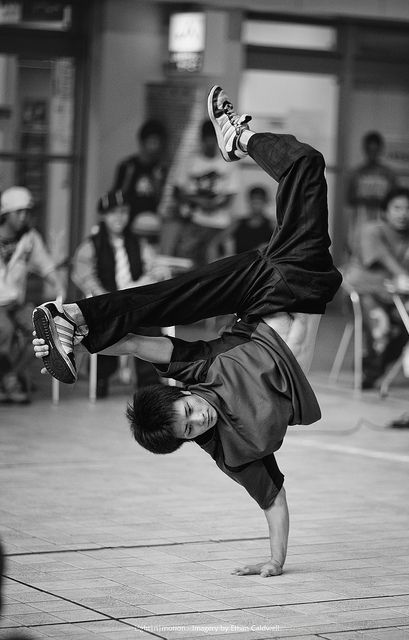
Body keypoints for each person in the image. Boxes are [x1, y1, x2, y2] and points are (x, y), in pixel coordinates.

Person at [32, 86, 342, 577]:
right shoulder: (237, 454)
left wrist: (84, 343)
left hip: (262, 297)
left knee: (167, 296)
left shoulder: (198, 372)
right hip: (305, 282)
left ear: (182, 395)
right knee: (304, 164)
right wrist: (275, 562)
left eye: (188, 411)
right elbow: (274, 501)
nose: (198, 418)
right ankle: (237, 140)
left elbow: (134, 342)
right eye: (191, 429)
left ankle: (71, 317)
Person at [71, 189, 164, 397]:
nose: (119, 217)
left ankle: (148, 381)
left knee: (149, 322)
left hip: (135, 301)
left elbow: (155, 268)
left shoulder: (138, 243)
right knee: (105, 321)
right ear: (104, 215)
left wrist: (147, 280)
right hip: (107, 301)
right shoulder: (91, 245)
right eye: (114, 212)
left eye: (123, 211)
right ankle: (102, 376)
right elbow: (85, 277)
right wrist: (107, 299)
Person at [0, 186, 65, 403]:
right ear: (5, 213)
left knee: (41, 330)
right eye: (18, 212)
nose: (23, 217)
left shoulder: (30, 238)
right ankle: (9, 382)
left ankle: (10, 376)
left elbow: (46, 266)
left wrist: (58, 287)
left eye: (27, 212)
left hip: (16, 302)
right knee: (5, 331)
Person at [343, 186, 409, 389]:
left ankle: (373, 366)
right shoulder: (371, 230)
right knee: (382, 327)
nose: (403, 213)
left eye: (408, 208)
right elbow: (381, 257)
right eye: (397, 208)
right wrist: (401, 274)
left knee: (408, 322)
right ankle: (372, 371)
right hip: (363, 293)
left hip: (395, 297)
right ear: (385, 211)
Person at [172, 119, 240, 265]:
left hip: (219, 225)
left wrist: (213, 205)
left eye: (213, 139)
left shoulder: (228, 162)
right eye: (207, 139)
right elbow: (176, 192)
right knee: (185, 265)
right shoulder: (188, 161)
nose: (210, 143)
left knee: (216, 268)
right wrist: (198, 201)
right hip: (193, 222)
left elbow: (230, 196)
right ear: (202, 139)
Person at [112, 119, 168, 241]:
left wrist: (157, 182)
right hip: (129, 223)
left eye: (158, 143)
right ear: (142, 142)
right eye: (152, 142)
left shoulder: (159, 169)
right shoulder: (128, 166)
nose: (156, 147)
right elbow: (118, 196)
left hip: (150, 224)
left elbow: (160, 199)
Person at [346, 131, 397, 251]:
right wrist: (366, 200)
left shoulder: (388, 173)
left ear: (380, 150)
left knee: (381, 249)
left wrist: (380, 201)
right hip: (360, 219)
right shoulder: (357, 172)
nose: (372, 154)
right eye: (370, 150)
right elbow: (349, 198)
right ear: (365, 150)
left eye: (376, 150)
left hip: (382, 219)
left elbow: (395, 198)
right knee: (358, 250)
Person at [211, 184, 273, 257]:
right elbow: (214, 243)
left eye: (259, 201)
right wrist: (214, 262)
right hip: (239, 265)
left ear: (265, 202)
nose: (256, 205)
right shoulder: (238, 223)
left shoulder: (272, 225)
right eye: (254, 201)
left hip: (261, 266)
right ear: (249, 201)